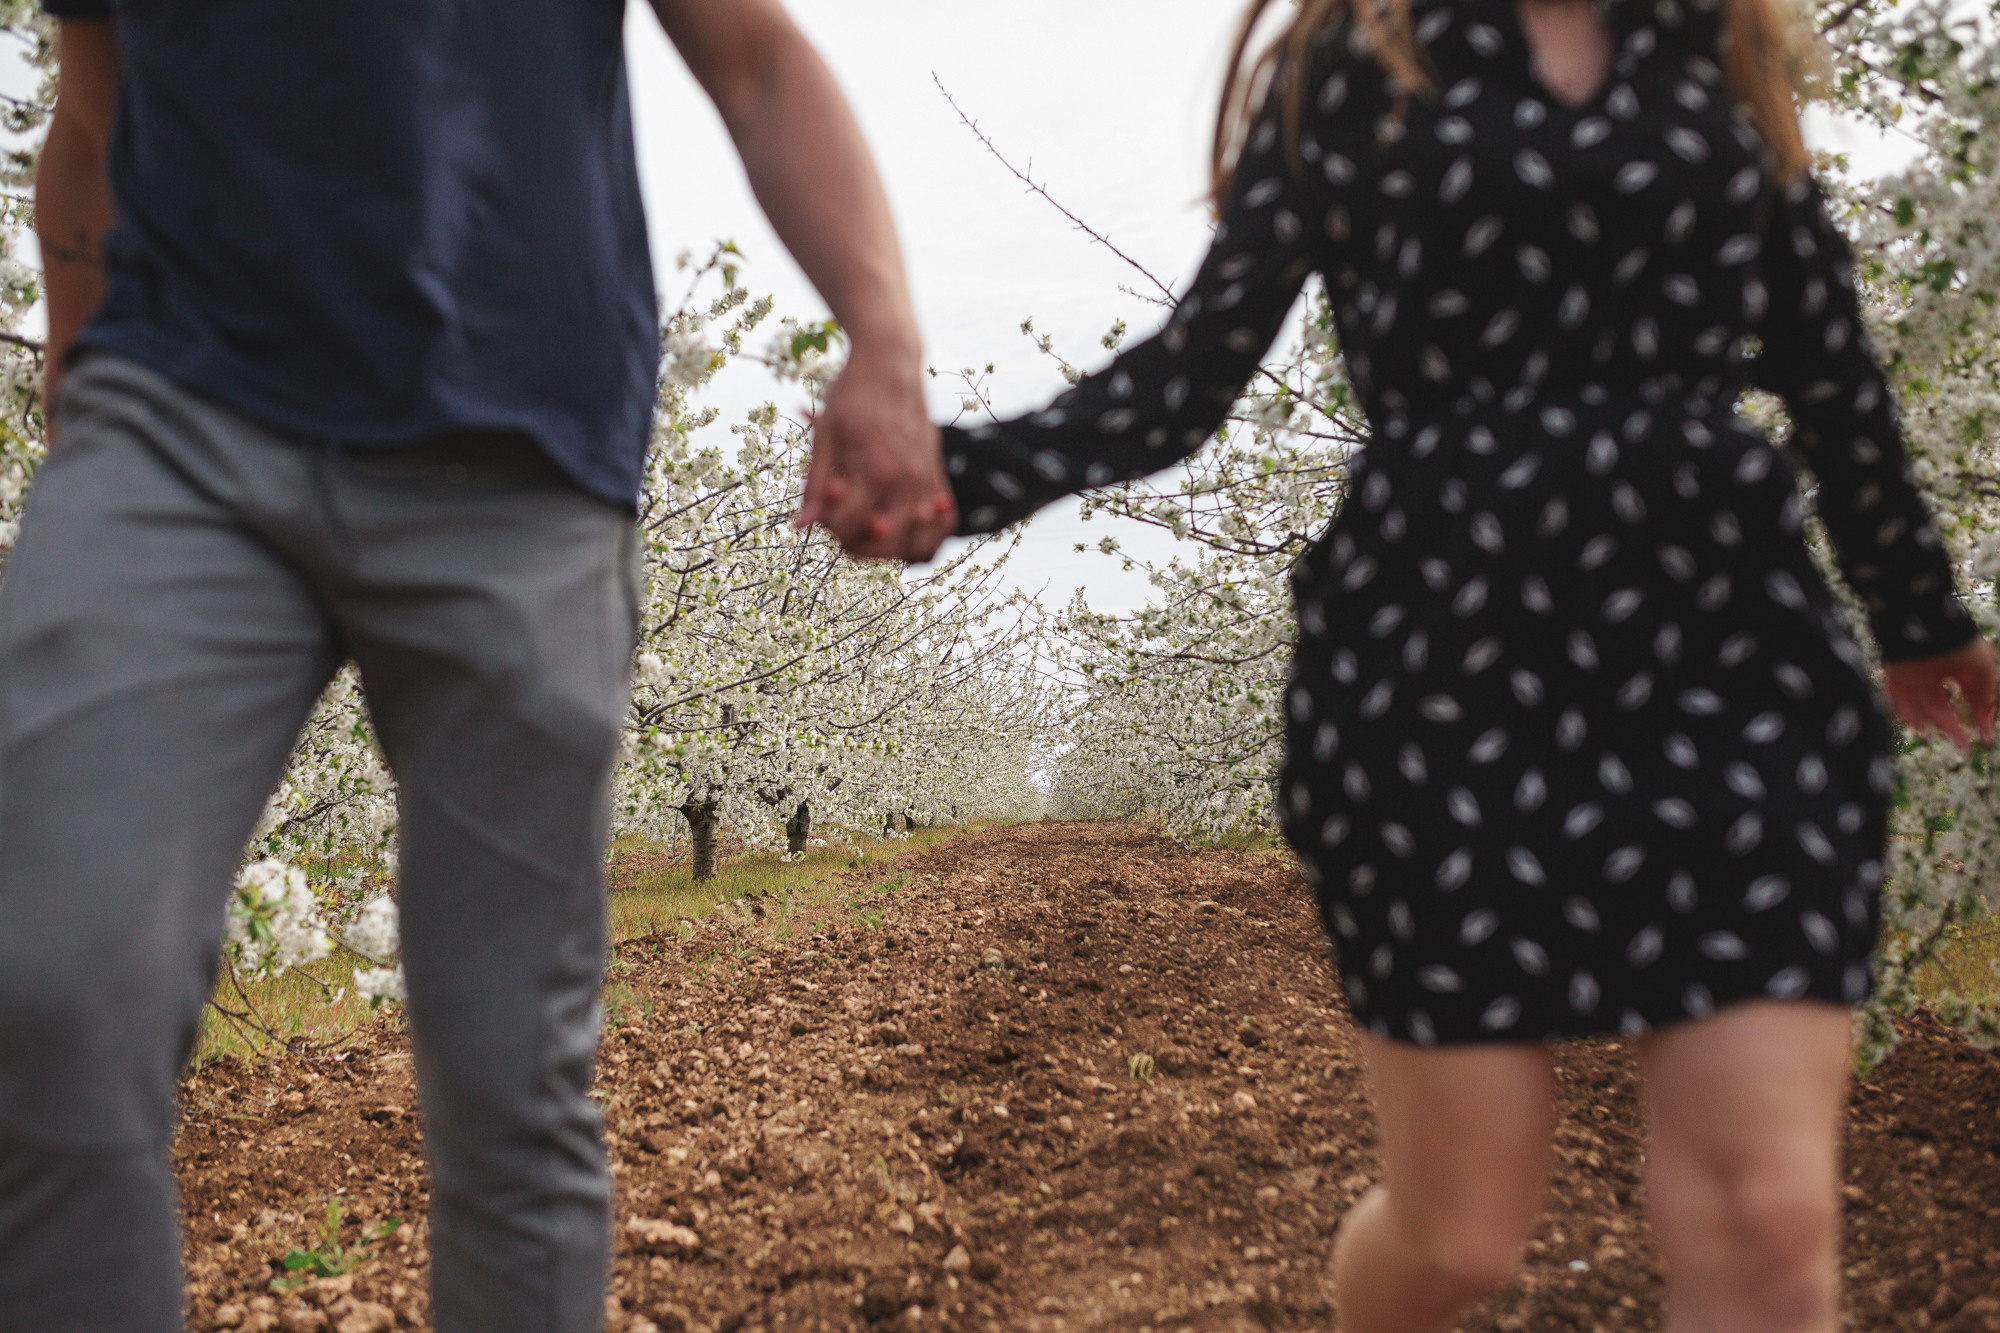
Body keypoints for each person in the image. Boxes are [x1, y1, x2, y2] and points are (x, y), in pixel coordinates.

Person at [923, 0, 1998, 1329]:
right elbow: (1190, 375)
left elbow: (1830, 363)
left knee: (1769, 1214)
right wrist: (955, 478)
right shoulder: (1358, 59)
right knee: (1460, 1234)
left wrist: (1919, 618)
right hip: (1438, 673)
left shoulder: (1721, 43)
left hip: (1732, 661)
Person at [0, 2, 953, 1330]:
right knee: (44, 981)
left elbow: (754, 60)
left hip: (520, 440)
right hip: (174, 419)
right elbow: (92, 108)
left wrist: (884, 337)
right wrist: (80, 411)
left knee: (508, 1072)